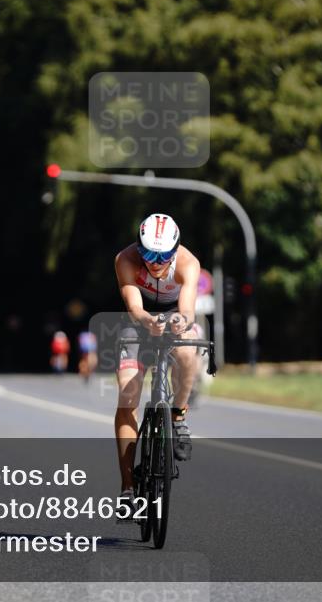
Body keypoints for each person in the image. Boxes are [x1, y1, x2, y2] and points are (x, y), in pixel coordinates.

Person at [113, 213, 201, 506]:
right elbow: (134, 307)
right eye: (149, 254)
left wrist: (180, 321)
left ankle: (178, 415)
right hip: (137, 320)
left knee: (187, 352)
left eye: (163, 256)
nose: (155, 262)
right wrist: (148, 321)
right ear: (139, 248)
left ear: (175, 250)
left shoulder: (188, 263)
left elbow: (187, 310)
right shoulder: (125, 259)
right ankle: (127, 489)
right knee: (128, 395)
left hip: (175, 314)